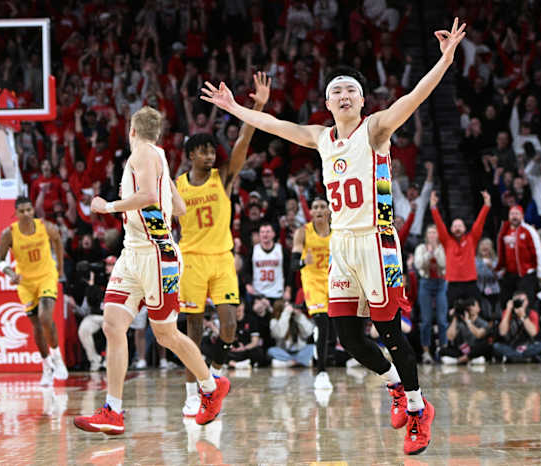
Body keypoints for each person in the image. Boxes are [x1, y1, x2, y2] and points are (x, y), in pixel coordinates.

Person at [200, 17, 468, 455]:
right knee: (346, 334)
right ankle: (396, 386)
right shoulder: (321, 137)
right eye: (336, 91)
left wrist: (445, 59)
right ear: (327, 102)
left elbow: (416, 97)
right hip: (341, 245)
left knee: (387, 331)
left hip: (375, 241)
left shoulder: (376, 128)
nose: (344, 96)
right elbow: (274, 126)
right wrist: (234, 109)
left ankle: (419, 411)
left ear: (362, 101)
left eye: (351, 90)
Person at [73, 106, 229, 435]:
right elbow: (181, 208)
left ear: (132, 130)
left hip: (157, 255)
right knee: (114, 323)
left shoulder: (143, 154)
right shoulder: (159, 158)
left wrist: (108, 206)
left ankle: (211, 387)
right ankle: (112, 411)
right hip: (134, 253)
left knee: (165, 334)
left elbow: (145, 196)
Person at [177, 72, 270, 417]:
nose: (210, 155)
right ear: (190, 156)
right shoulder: (178, 186)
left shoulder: (224, 178)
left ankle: (212, 375)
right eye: (202, 151)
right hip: (191, 261)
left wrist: (257, 105)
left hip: (222, 260)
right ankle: (191, 393)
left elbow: (244, 140)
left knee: (229, 327)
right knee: (194, 329)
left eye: (211, 150)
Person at [0, 196, 69, 386]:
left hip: (46, 276)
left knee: (46, 317)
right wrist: (10, 272)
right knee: (36, 326)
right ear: (16, 213)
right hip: (25, 282)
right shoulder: (9, 234)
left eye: (29, 209)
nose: (27, 213)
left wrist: (60, 268)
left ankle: (57, 357)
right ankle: (46, 367)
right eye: (22, 211)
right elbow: (0, 260)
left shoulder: (45, 226)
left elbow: (58, 241)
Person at [292, 197, 333, 389]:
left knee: (338, 326)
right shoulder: (303, 233)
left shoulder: (337, 232)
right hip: (313, 282)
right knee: (323, 323)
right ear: (310, 212)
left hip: (334, 280)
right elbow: (292, 264)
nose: (318, 210)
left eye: (322, 207)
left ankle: (323, 351)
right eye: (315, 207)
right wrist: (302, 262)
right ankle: (321, 371)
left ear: (329, 211)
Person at [430, 190, 490, 307]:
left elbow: (480, 222)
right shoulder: (446, 241)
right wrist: (433, 207)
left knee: (477, 310)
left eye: (460, 226)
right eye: (455, 226)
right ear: (451, 229)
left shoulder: (472, 238)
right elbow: (439, 224)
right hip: (453, 283)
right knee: (452, 313)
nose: (457, 228)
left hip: (470, 282)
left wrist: (486, 205)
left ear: (465, 228)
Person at [496, 205, 541, 305]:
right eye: (512, 214)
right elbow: (501, 249)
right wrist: (500, 267)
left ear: (522, 216)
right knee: (505, 301)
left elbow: (538, 252)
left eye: (517, 214)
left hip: (526, 273)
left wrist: (540, 272)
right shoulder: (504, 230)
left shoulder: (528, 230)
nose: (514, 217)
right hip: (509, 273)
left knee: (525, 302)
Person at [413, 224, 446, 364]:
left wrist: (436, 252)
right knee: (426, 320)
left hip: (440, 283)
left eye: (434, 232)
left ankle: (443, 350)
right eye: (430, 233)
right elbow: (418, 265)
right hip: (426, 283)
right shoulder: (421, 248)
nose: (432, 235)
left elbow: (444, 264)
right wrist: (429, 253)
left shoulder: (443, 247)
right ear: (426, 235)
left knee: (442, 320)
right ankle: (426, 352)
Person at [493, 292, 541, 363]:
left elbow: (533, 333)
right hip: (511, 346)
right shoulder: (507, 313)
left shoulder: (532, 313)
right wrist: (508, 310)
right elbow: (502, 332)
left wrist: (523, 316)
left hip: (528, 346)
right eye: (517, 301)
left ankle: (516, 358)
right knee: (496, 346)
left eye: (522, 301)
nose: (520, 304)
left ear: (527, 302)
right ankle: (524, 358)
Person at [441, 298, 490, 365]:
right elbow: (450, 337)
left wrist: (468, 322)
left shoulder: (483, 323)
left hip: (476, 348)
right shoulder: (460, 321)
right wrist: (454, 317)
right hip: (463, 349)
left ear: (478, 309)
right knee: (442, 350)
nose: (470, 307)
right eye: (468, 305)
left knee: (485, 345)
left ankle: (458, 361)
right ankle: (471, 360)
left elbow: (479, 335)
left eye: (472, 305)